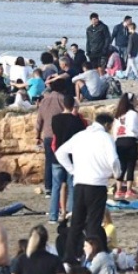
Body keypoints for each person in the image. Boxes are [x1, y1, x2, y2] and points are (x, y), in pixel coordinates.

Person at [56, 113, 120, 267]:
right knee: (93, 222)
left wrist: (73, 171)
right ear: (106, 125)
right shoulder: (105, 138)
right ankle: (93, 255)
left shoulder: (80, 136)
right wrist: (117, 175)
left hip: (80, 184)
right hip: (97, 184)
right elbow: (113, 160)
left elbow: (60, 153)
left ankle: (69, 257)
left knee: (77, 222)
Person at [50, 95, 86, 223]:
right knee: (72, 185)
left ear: (63, 105)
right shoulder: (76, 121)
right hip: (72, 156)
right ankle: (71, 213)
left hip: (57, 155)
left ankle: (53, 215)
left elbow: (55, 134)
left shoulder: (55, 119)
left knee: (56, 187)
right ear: (73, 106)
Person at [112, 93, 138, 200]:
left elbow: (114, 131)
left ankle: (118, 190)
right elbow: (133, 128)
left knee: (121, 166)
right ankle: (128, 190)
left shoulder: (118, 115)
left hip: (119, 141)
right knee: (130, 166)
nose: (137, 100)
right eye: (135, 99)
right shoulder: (133, 114)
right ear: (131, 101)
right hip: (130, 140)